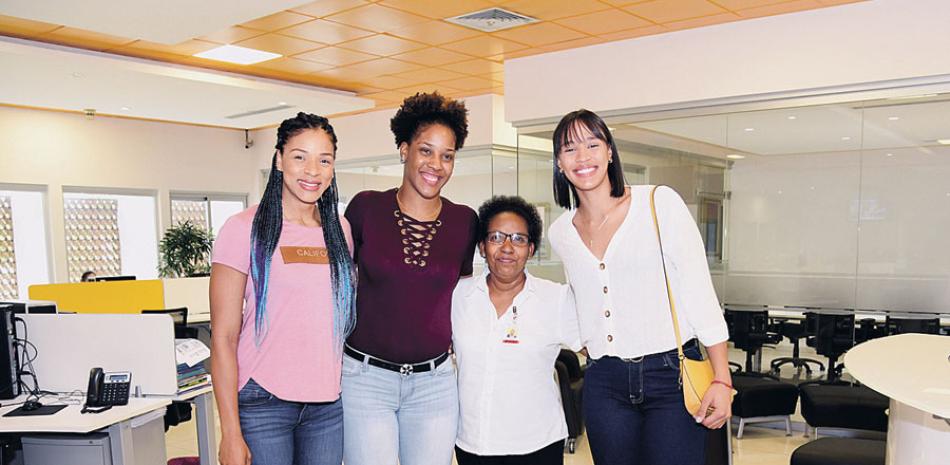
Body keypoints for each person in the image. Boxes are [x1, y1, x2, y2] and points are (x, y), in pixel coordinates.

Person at [547, 109, 732, 465]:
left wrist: (721, 379)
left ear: (610, 152)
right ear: (559, 162)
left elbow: (699, 292)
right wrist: (583, 340)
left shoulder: (658, 203)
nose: (583, 157)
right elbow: (579, 293)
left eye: (592, 144)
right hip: (605, 381)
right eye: (570, 149)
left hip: (671, 376)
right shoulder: (561, 232)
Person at [209, 113, 356, 465]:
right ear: (279, 160)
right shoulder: (243, 228)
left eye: (324, 160)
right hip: (263, 403)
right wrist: (230, 432)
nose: (312, 171)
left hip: (327, 404)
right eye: (299, 157)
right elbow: (223, 337)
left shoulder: (340, 231)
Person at [342, 92, 477, 465]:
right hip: (366, 380)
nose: (436, 164)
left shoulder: (464, 221)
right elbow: (337, 286)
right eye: (426, 150)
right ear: (404, 150)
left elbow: (462, 295)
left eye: (447, 155)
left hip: (434, 385)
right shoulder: (366, 207)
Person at [452, 196, 579, 465]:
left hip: (536, 446)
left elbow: (600, 348)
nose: (508, 247)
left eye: (519, 239)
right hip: (473, 443)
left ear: (531, 249)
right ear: (482, 247)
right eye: (496, 237)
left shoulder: (555, 299)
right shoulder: (458, 296)